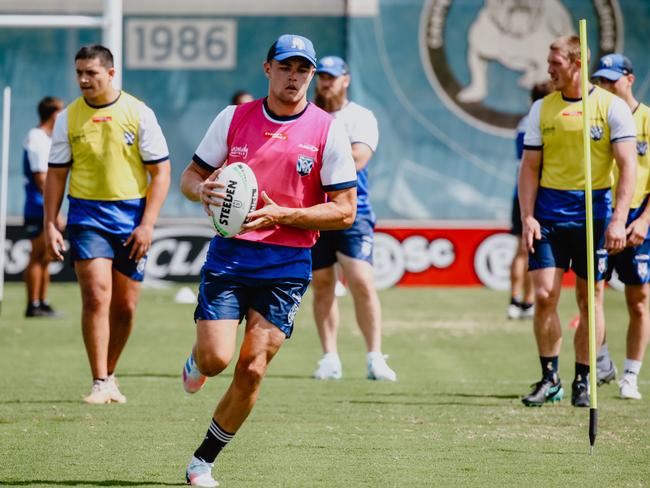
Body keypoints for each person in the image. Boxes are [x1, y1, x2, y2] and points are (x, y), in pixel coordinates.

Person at [179, 34, 357, 487]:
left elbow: (344, 210)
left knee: (253, 366)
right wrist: (202, 190)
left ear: (312, 76)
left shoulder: (327, 130)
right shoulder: (234, 118)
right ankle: (199, 360)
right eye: (285, 67)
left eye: (302, 69)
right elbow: (191, 175)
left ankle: (203, 461)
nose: (293, 76)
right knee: (218, 359)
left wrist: (285, 214)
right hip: (231, 257)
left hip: (288, 264)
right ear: (267, 69)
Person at [44, 44, 171, 404]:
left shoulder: (139, 113)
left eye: (92, 73)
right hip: (87, 217)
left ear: (111, 73)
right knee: (97, 294)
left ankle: (110, 372)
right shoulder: (67, 118)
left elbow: (160, 173)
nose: (84, 79)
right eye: (79, 73)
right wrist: (52, 223)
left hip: (132, 219)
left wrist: (148, 225)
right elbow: (56, 176)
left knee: (126, 307)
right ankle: (99, 380)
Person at [518, 36, 637, 408]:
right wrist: (527, 217)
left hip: (594, 216)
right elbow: (529, 169)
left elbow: (628, 166)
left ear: (576, 63)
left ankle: (584, 380)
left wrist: (618, 220)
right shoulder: (542, 108)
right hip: (550, 216)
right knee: (543, 296)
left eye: (555, 61)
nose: (549, 68)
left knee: (591, 300)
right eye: (548, 61)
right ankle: (549, 378)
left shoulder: (610, 107)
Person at [310, 55, 396, 381]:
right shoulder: (308, 115)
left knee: (361, 280)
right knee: (322, 285)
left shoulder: (360, 117)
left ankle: (375, 356)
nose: (325, 82)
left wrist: (314, 157)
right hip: (315, 211)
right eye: (321, 77)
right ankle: (329, 357)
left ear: (345, 79)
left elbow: (358, 159)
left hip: (351, 210)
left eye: (332, 77)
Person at [593, 53, 650, 400]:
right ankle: (601, 361)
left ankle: (631, 374)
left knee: (639, 300)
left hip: (637, 214)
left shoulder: (647, 119)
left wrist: (644, 219)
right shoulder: (598, 115)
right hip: (601, 211)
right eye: (600, 81)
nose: (605, 87)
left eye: (611, 80)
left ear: (629, 79)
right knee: (591, 292)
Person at [508, 81, 553, 320]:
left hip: (520, 193)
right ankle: (527, 301)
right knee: (531, 249)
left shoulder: (523, 123)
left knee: (521, 249)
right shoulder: (541, 123)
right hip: (536, 193)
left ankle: (515, 300)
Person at [23, 96, 64, 317]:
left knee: (46, 256)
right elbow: (41, 179)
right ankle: (33, 304)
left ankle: (42, 301)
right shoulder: (37, 138)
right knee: (37, 254)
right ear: (54, 114)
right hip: (37, 207)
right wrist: (55, 212)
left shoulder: (47, 139)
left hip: (43, 206)